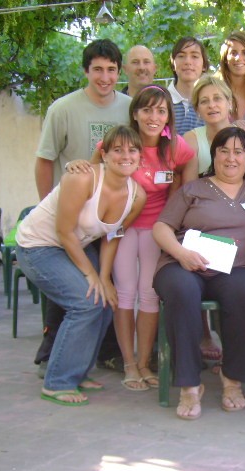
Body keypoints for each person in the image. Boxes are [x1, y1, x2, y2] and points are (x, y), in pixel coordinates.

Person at [67, 85, 198, 392]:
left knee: (149, 294)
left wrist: (181, 193)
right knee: (125, 293)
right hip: (121, 227)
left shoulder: (176, 146)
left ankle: (144, 363)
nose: (154, 117)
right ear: (135, 113)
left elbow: (189, 167)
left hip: (156, 230)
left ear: (168, 116)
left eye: (161, 110)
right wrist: (76, 165)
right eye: (147, 110)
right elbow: (92, 169)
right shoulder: (121, 142)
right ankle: (128, 364)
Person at [16, 125, 146, 406]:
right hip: (38, 246)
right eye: (117, 150)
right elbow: (64, 232)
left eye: (132, 150)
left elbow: (113, 235)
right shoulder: (83, 178)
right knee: (86, 301)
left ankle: (78, 371)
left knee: (106, 299)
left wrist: (104, 277)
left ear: (140, 157)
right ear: (105, 154)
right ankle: (58, 382)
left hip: (77, 246)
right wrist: (90, 275)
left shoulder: (137, 195)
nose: (125, 156)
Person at [152, 127, 245, 420]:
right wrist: (181, 253)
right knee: (183, 292)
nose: (231, 158)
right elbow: (161, 227)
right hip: (182, 264)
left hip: (234, 270)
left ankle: (232, 379)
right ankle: (189, 385)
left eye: (238, 151)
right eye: (224, 151)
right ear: (214, 155)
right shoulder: (193, 189)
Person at [33, 39, 131, 377]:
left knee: (100, 286)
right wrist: (50, 203)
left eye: (111, 70)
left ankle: (101, 354)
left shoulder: (129, 107)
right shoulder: (63, 108)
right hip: (68, 217)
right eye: (98, 70)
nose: (105, 77)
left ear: (120, 72)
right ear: (86, 71)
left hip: (104, 220)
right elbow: (45, 161)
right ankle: (52, 355)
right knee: (73, 292)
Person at [184, 74, 245, 190]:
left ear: (229, 103)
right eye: (204, 101)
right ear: (197, 109)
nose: (211, 105)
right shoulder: (191, 139)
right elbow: (189, 192)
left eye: (217, 98)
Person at [168, 37, 210, 135]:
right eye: (181, 56)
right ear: (173, 63)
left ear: (204, 65)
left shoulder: (212, 102)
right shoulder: (161, 100)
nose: (187, 61)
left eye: (194, 56)